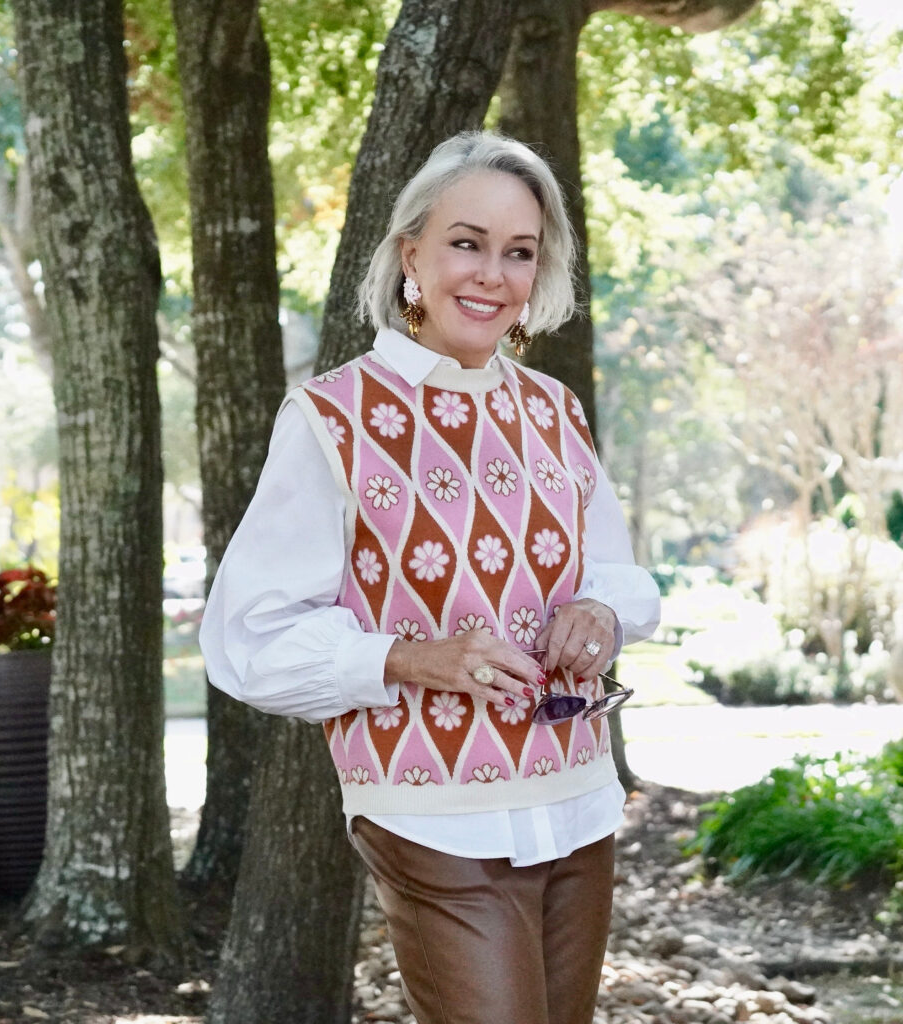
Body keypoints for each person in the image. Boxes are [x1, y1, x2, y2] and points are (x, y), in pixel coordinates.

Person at [199, 131, 661, 1024]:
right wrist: (414, 659)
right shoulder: (332, 416)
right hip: (428, 810)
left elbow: (617, 572)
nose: (492, 273)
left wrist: (600, 611)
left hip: (577, 800)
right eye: (467, 242)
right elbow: (247, 637)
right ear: (411, 252)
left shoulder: (554, 410)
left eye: (518, 252)